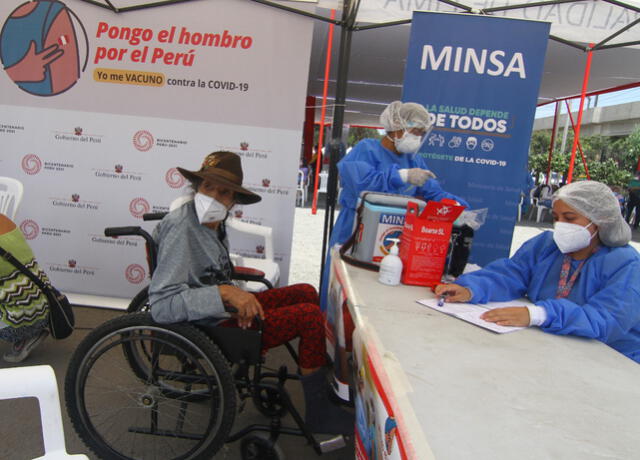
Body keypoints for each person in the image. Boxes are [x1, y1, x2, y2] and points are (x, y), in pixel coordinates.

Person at [148, 151, 353, 435]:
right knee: (307, 317)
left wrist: (239, 297)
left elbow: (218, 274)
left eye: (224, 192)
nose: (215, 197)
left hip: (220, 310)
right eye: (208, 187)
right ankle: (318, 412)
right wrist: (226, 294)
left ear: (234, 201)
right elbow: (161, 305)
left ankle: (321, 384)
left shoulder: (214, 224)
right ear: (197, 188)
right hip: (204, 325)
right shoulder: (182, 228)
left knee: (306, 292)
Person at [434, 180, 640, 363]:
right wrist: (471, 288)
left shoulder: (625, 264)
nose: (560, 226)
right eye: (556, 217)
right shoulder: (547, 245)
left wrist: (540, 314)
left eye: (569, 218)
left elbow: (607, 320)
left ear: (600, 221)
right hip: (554, 349)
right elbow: (511, 273)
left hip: (613, 360)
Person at [321, 101, 469, 311]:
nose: (417, 138)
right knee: (345, 290)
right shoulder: (366, 149)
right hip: (356, 231)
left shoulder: (415, 161)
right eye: (414, 132)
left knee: (382, 292)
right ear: (395, 127)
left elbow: (434, 192)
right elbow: (362, 184)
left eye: (420, 133)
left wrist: (456, 207)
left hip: (397, 237)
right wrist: (402, 176)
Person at [0, 213, 49, 362]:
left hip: (25, 319)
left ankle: (25, 337)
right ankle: (31, 332)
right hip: (43, 307)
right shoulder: (3, 219)